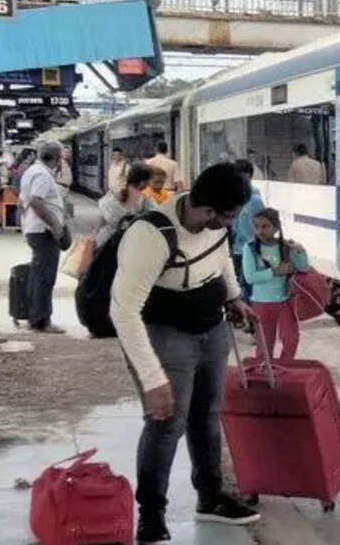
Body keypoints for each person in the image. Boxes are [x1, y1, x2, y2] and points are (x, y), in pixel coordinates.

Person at [109, 163, 261, 544]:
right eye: (229, 216)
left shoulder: (217, 226)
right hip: (168, 335)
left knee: (206, 417)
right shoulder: (151, 235)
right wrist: (152, 378)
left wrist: (234, 297)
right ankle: (151, 515)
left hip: (213, 329)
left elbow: (221, 257)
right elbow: (123, 311)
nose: (232, 224)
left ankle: (210, 497)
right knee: (165, 424)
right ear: (207, 210)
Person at [242, 208, 308, 362]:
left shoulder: (285, 246)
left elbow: (303, 268)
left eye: (265, 226)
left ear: (276, 227)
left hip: (284, 301)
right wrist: (275, 271)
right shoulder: (250, 248)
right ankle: (266, 372)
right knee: (264, 346)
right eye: (256, 227)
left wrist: (300, 250)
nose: (260, 231)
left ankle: (285, 367)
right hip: (260, 304)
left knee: (291, 339)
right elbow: (250, 277)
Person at [19, 142, 68, 333]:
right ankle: (42, 320)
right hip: (44, 231)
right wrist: (55, 224)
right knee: (45, 277)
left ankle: (35, 316)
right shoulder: (42, 175)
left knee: (38, 274)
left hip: (35, 229)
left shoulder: (32, 171)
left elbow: (24, 202)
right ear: (56, 158)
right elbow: (36, 201)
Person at [94, 163, 153, 249]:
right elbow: (151, 215)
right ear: (142, 182)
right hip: (127, 242)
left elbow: (101, 218)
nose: (149, 184)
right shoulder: (142, 198)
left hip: (104, 240)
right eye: (148, 181)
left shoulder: (113, 192)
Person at [229, 160, 264, 298]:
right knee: (237, 285)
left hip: (250, 248)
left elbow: (262, 224)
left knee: (247, 286)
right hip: (236, 248)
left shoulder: (254, 200)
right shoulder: (234, 197)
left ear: (247, 176)